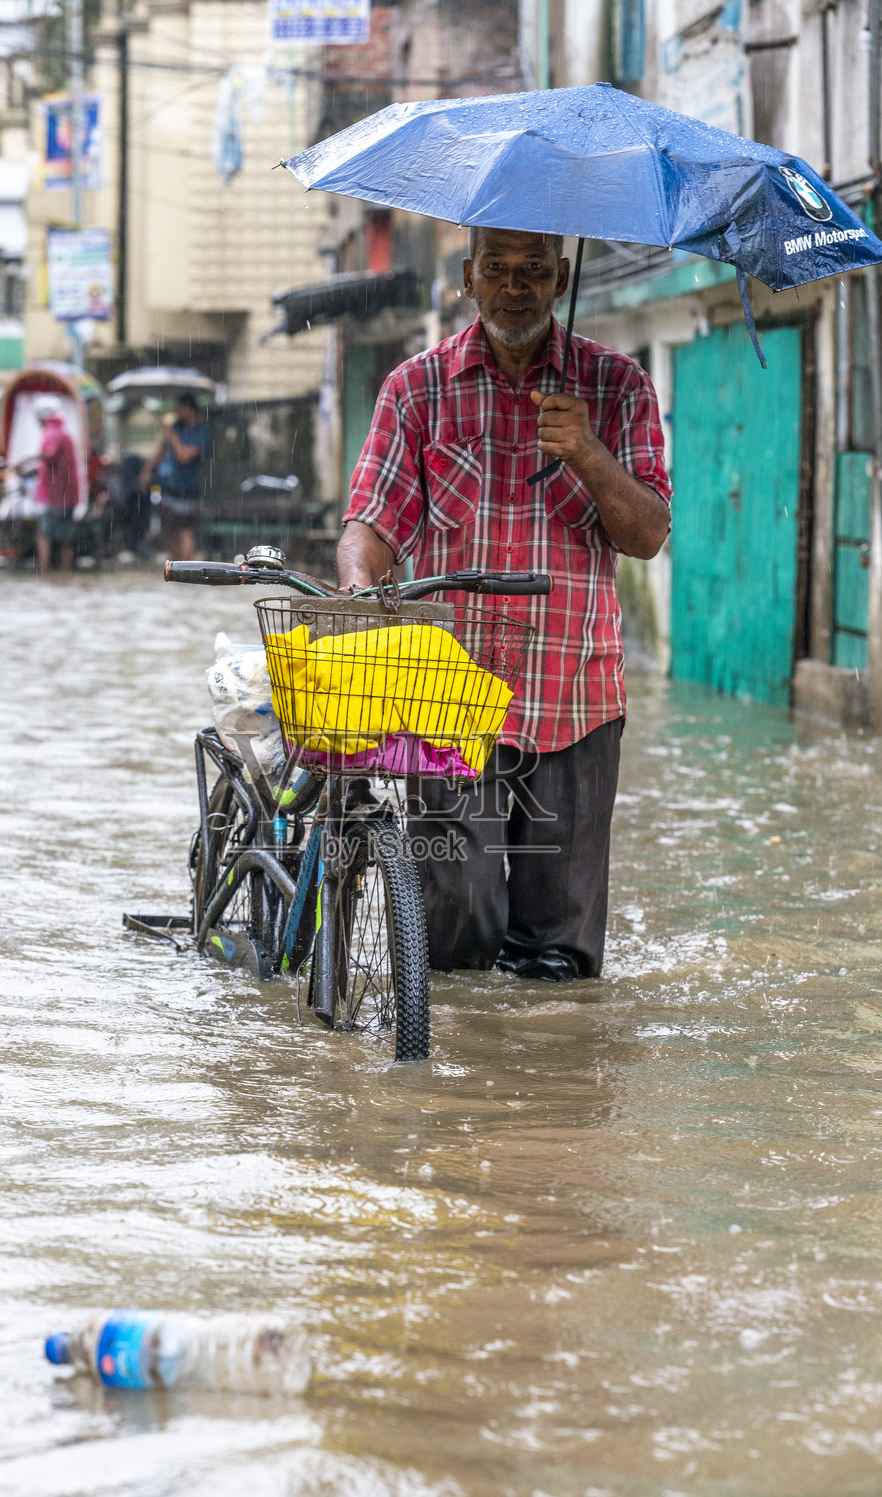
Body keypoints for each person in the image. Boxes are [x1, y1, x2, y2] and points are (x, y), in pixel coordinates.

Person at [338, 227, 672, 984]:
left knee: (558, 957)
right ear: (467, 278)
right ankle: (459, 1091)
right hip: (446, 696)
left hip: (575, 698)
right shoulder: (415, 387)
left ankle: (543, 1096)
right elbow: (375, 519)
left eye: (532, 272)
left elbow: (647, 534)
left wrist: (586, 452)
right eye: (497, 269)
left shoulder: (617, 386)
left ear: (560, 280)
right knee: (457, 929)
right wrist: (359, 586)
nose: (514, 286)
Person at [138, 392, 206, 560]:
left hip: (186, 489)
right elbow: (160, 452)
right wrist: (146, 471)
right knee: (169, 529)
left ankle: (187, 567)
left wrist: (172, 435)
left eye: (179, 408)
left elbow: (185, 456)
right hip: (168, 487)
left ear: (189, 409)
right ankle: (176, 567)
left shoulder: (199, 432)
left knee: (184, 530)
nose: (176, 412)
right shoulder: (176, 427)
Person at [27, 396, 80, 575]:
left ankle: (43, 573)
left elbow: (49, 453)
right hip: (70, 496)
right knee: (66, 540)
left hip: (54, 496)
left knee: (43, 535)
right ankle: (66, 574)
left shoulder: (51, 433)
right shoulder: (65, 434)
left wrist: (25, 461)